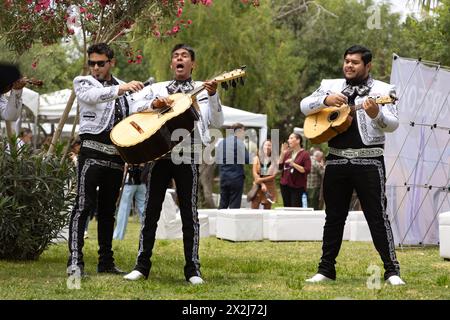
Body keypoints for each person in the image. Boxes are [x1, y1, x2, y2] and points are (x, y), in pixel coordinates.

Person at [300, 45, 405, 285]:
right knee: (333, 217)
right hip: (336, 159)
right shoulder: (330, 85)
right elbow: (304, 105)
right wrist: (325, 99)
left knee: (377, 217)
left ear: (368, 66)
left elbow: (393, 124)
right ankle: (326, 269)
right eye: (346, 61)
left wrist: (376, 114)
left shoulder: (384, 90)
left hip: (369, 161)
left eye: (355, 62)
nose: (349, 65)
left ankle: (392, 271)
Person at [123, 44, 224, 284]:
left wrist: (213, 95)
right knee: (150, 211)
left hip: (187, 155)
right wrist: (154, 105)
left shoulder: (202, 90)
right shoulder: (158, 88)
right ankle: (141, 266)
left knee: (189, 213)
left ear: (192, 64)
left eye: (185, 56)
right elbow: (132, 106)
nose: (180, 59)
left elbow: (217, 122)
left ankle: (193, 269)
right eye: (176, 56)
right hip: (159, 155)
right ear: (172, 64)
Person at [67, 43, 145, 277]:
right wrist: (122, 90)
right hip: (90, 154)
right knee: (83, 207)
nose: (96, 67)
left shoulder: (123, 86)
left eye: (101, 63)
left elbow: (137, 110)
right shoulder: (83, 82)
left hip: (116, 158)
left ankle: (106, 262)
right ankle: (74, 262)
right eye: (92, 63)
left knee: (107, 212)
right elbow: (92, 97)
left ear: (112, 62)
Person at [216, 123, 250, 209]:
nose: (244, 134)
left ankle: (219, 222)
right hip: (236, 178)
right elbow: (247, 159)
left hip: (223, 177)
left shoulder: (221, 143)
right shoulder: (239, 143)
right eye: (243, 131)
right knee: (234, 206)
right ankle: (231, 223)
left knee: (223, 204)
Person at [113, 163, 147, 240]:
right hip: (140, 179)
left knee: (124, 210)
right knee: (143, 209)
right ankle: (146, 235)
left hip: (132, 180)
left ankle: (119, 236)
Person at [278, 133, 311, 207]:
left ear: (298, 140)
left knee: (295, 209)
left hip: (297, 187)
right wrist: (282, 153)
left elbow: (307, 170)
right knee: (286, 207)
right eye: (288, 138)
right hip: (285, 185)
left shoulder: (305, 154)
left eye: (291, 138)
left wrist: (293, 164)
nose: (288, 140)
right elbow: (279, 166)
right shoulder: (287, 153)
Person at [250, 139, 277, 209]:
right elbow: (254, 173)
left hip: (269, 187)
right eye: (266, 145)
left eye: (269, 145)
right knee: (254, 210)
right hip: (258, 186)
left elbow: (273, 175)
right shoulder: (256, 158)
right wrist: (262, 184)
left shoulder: (274, 159)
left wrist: (261, 179)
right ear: (262, 147)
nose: (267, 147)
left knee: (267, 212)